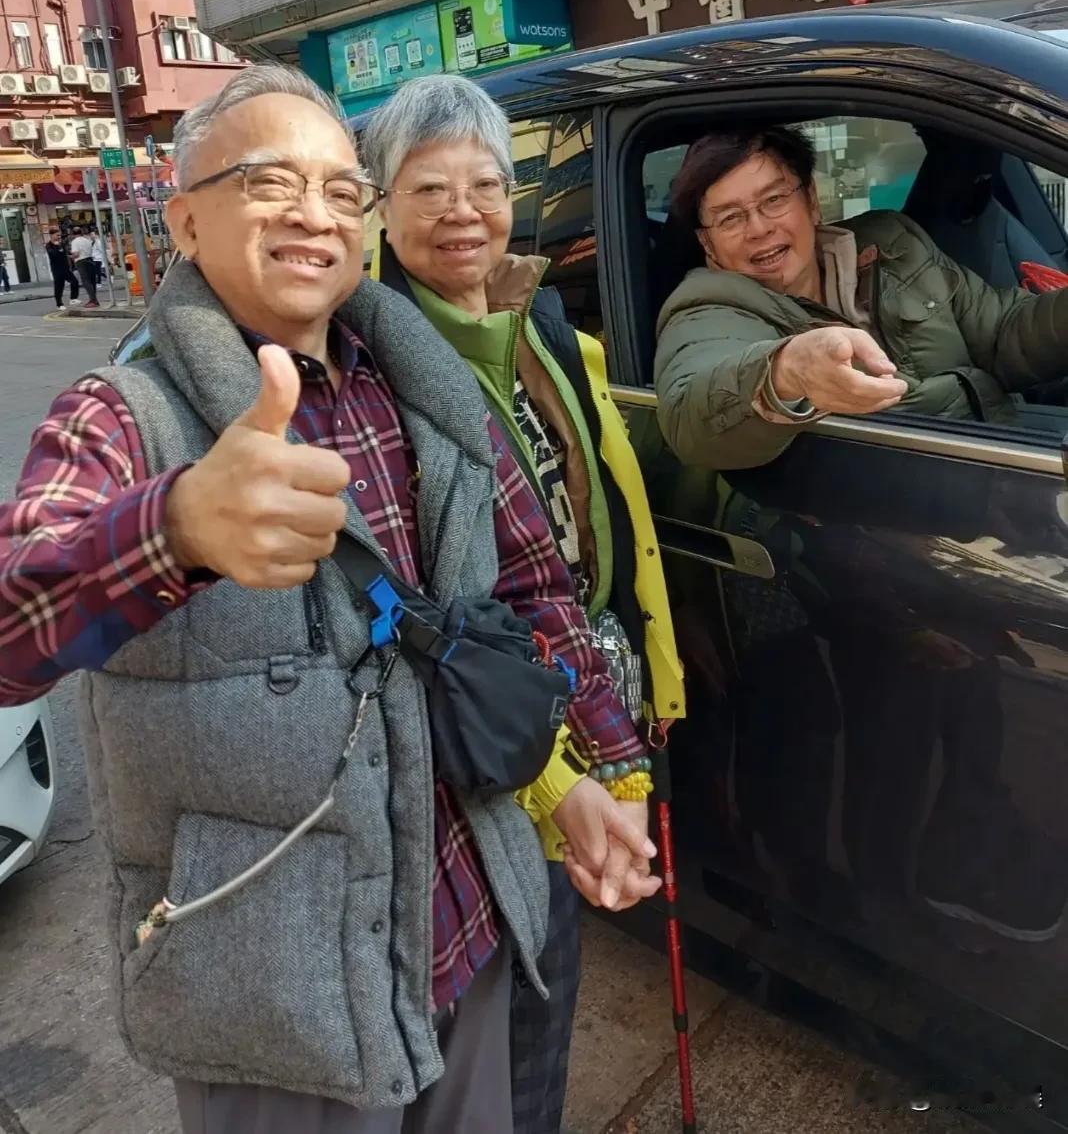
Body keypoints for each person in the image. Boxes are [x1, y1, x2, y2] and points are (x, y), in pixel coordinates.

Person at [0, 65, 660, 1134]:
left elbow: (530, 585)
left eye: (341, 190)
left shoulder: (422, 384)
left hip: (465, 911)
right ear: (187, 221)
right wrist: (171, 529)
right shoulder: (121, 414)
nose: (315, 212)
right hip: (275, 974)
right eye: (271, 182)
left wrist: (582, 766)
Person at [361, 75, 685, 1134]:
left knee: (546, 989)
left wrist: (642, 713)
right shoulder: (367, 365)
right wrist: (559, 777)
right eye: (428, 187)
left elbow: (600, 532)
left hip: (577, 690)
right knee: (492, 1013)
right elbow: (431, 605)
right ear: (378, 204)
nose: (463, 209)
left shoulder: (540, 321)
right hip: (480, 740)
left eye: (485, 182)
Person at [655, 124, 1068, 471]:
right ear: (708, 245)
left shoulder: (893, 242)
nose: (759, 228)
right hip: (896, 523)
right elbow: (689, 415)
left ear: (812, 202)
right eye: (730, 218)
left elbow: (1000, 333)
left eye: (774, 200)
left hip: (1009, 454)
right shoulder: (704, 307)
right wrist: (786, 371)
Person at [45, 227, 78, 310]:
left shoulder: (62, 243)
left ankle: (73, 298)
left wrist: (71, 255)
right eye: (57, 235)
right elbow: (53, 255)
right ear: (52, 235)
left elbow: (64, 253)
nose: (59, 237)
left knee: (74, 281)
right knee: (59, 287)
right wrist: (57, 247)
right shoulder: (49, 245)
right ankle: (59, 304)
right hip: (57, 269)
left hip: (65, 268)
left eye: (60, 235)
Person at [69, 226, 100, 308]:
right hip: (90, 260)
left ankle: (93, 300)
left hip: (81, 262)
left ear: (73, 234)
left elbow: (76, 254)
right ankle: (94, 300)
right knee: (92, 281)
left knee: (86, 281)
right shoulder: (87, 240)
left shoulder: (74, 242)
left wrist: (71, 257)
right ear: (81, 232)